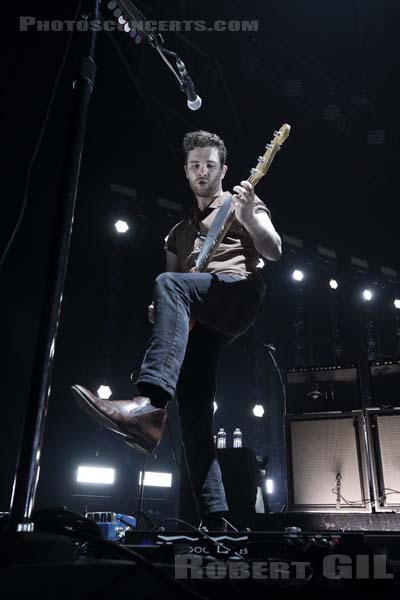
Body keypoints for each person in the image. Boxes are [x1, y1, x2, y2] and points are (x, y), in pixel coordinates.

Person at [72, 130, 282, 530]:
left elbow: (273, 251)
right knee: (194, 408)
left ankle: (148, 404)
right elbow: (171, 284)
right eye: (195, 165)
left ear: (223, 169)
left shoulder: (241, 203)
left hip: (238, 293)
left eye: (210, 164)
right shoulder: (177, 233)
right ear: (186, 173)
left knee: (171, 286)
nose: (203, 171)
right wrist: (161, 309)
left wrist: (252, 215)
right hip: (201, 314)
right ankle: (216, 517)